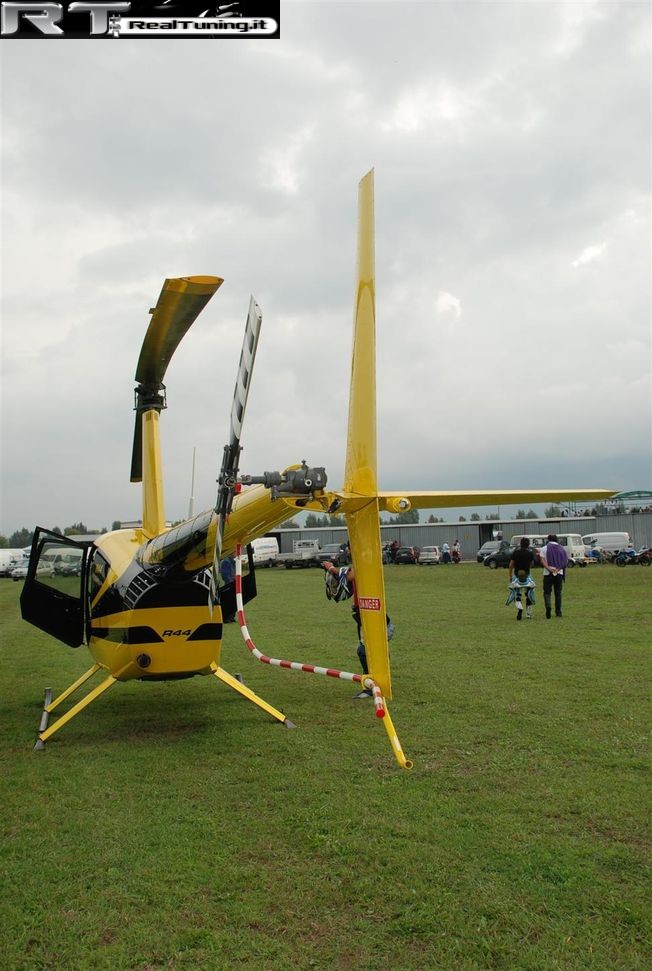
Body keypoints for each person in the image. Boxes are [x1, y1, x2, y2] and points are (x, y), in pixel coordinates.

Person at [322, 560, 394, 698]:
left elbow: (350, 576)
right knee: (373, 650)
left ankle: (373, 685)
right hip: (365, 613)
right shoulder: (361, 564)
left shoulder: (366, 564)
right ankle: (378, 682)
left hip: (372, 614)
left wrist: (330, 567)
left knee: (366, 650)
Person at [539, 534, 568, 619]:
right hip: (559, 573)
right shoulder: (562, 548)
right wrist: (558, 569)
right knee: (558, 593)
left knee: (547, 592)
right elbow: (565, 561)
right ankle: (558, 611)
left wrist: (549, 568)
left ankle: (548, 606)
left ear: (548, 540)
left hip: (548, 573)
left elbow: (542, 560)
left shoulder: (545, 548)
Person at [507, 538, 536, 620]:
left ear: (520, 544)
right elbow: (532, 564)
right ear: (528, 544)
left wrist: (510, 575)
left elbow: (511, 565)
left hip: (517, 576)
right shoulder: (530, 553)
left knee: (516, 594)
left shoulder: (515, 553)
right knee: (529, 594)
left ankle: (519, 607)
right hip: (527, 576)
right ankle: (528, 613)